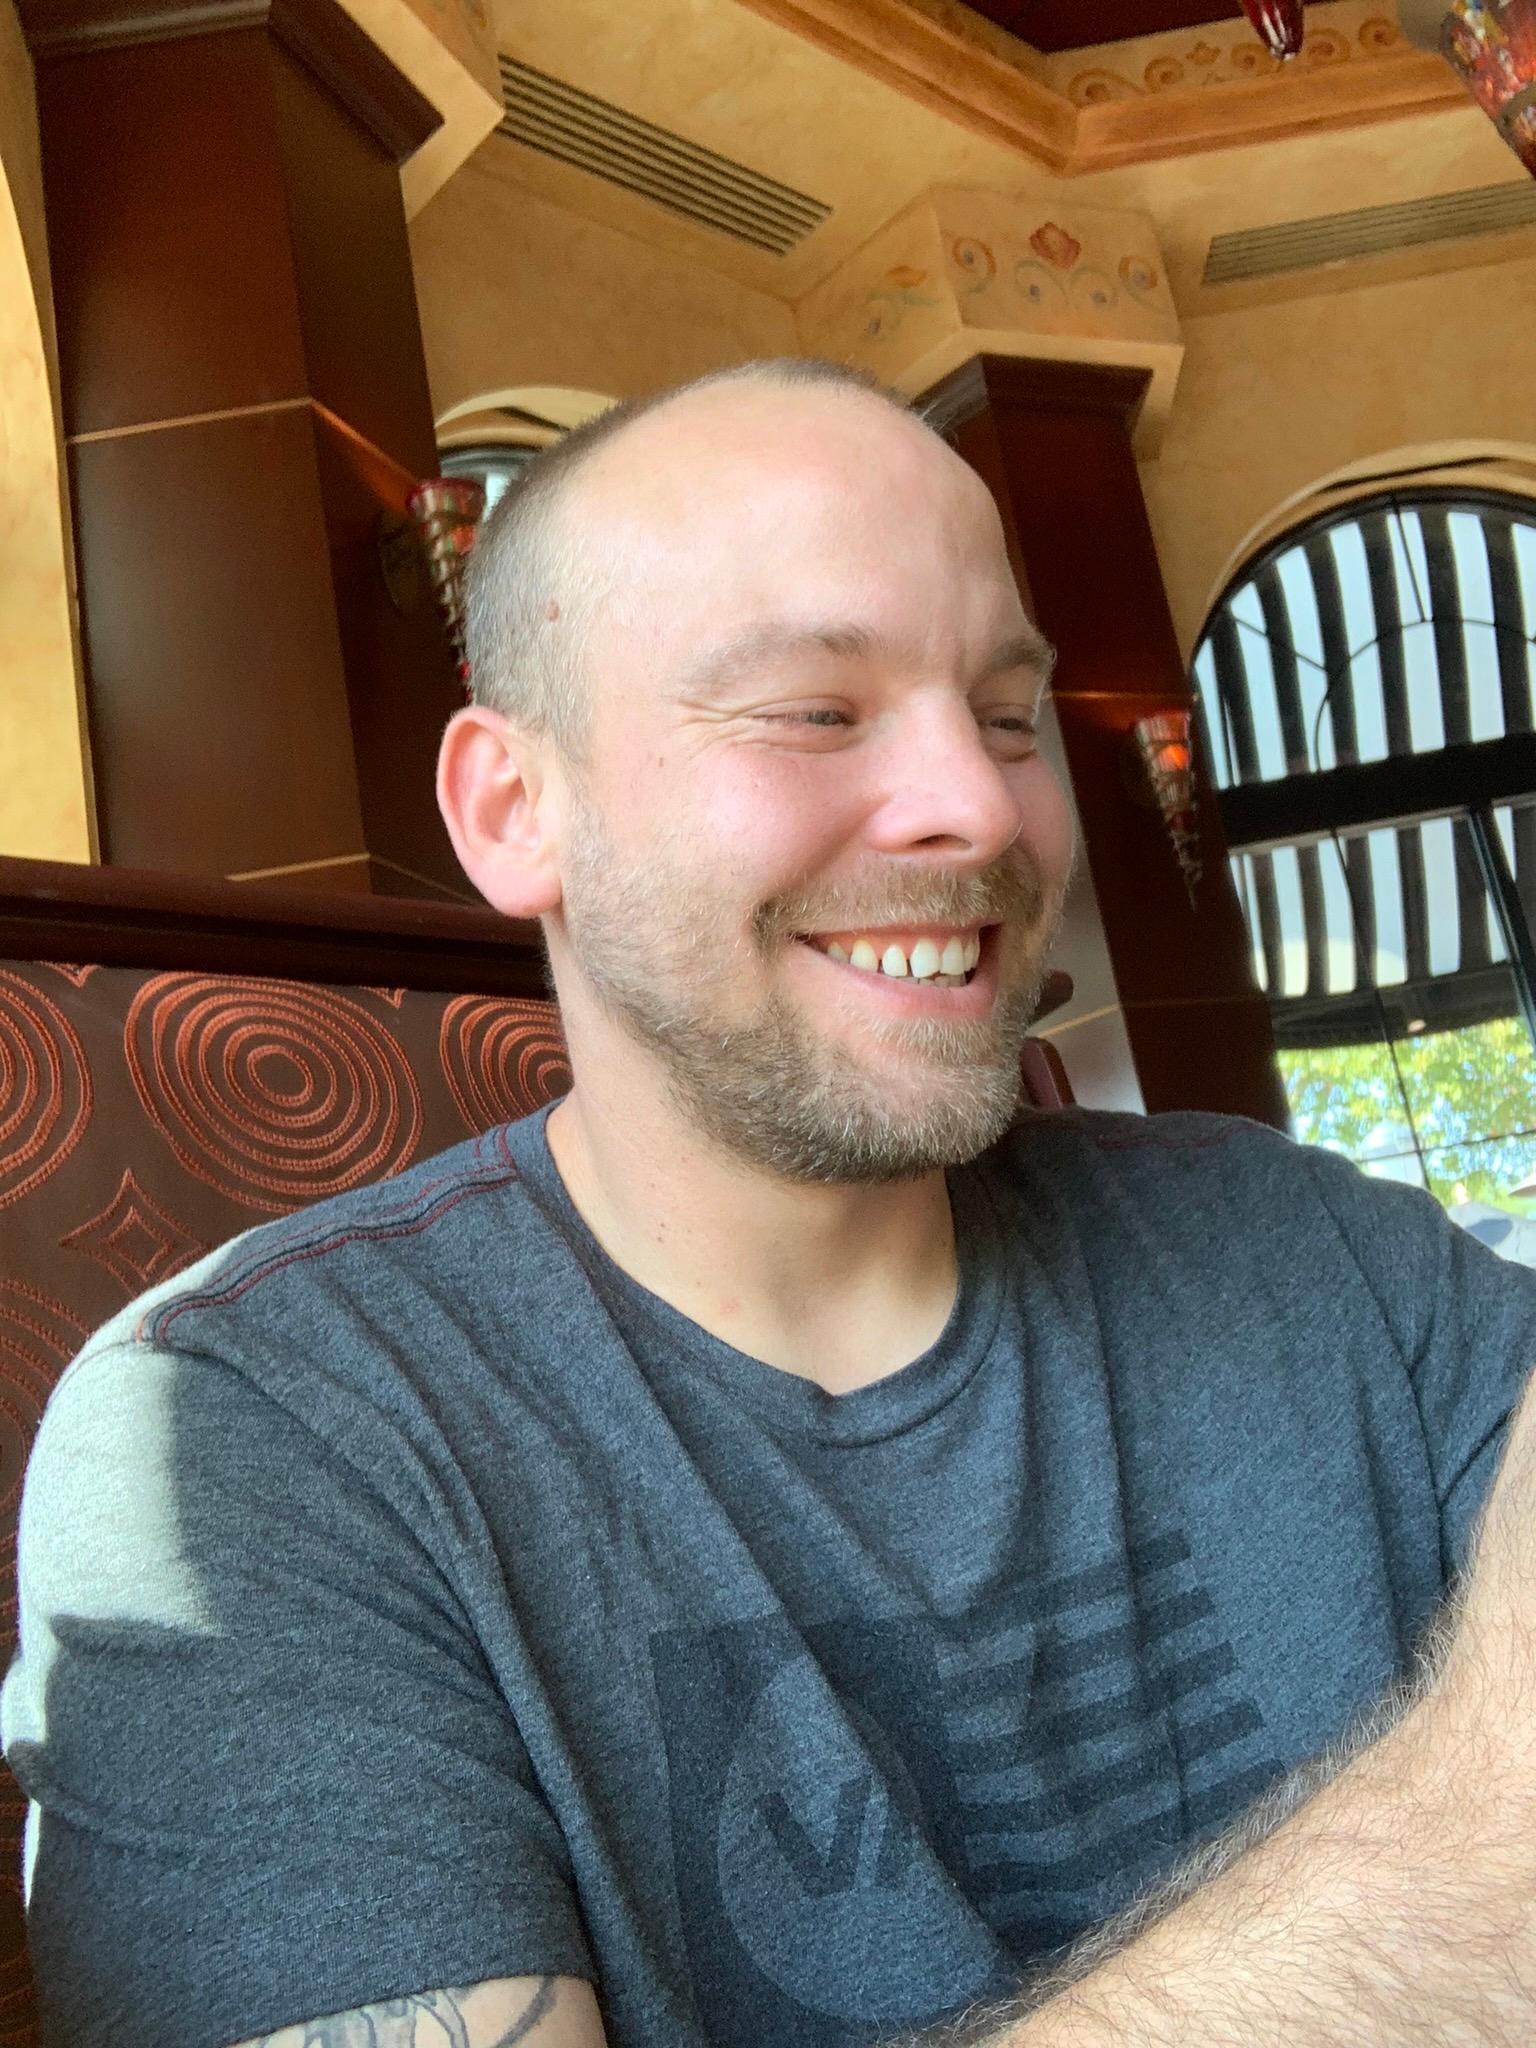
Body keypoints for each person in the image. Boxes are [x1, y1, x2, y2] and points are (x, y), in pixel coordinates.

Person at [5, 359, 1535, 2048]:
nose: (982, 807)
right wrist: (1485, 1846)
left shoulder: (1302, 1244)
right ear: (517, 810)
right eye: (816, 709)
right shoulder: (254, 1434)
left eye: (1008, 714)